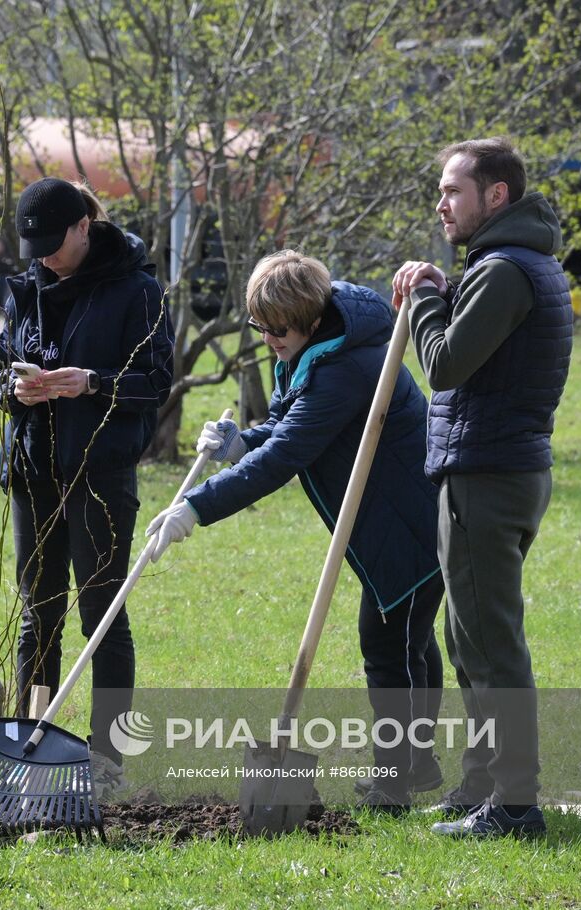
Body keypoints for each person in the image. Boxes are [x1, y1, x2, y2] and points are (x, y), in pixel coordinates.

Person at [143, 250, 445, 813]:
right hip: (395, 518)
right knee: (410, 642)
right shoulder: (319, 344)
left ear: (307, 317)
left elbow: (286, 455)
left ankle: (396, 782)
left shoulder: (346, 369)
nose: (268, 339)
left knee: (390, 646)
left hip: (413, 522)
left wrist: (195, 510)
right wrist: (239, 443)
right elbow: (285, 424)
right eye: (260, 326)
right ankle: (416, 765)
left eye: (277, 329)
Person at [392, 136, 572, 839]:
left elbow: (443, 366)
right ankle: (480, 784)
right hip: (497, 470)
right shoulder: (519, 263)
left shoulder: (503, 270)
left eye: (453, 191)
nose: (441, 203)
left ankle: (516, 805)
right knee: (465, 638)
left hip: (489, 477)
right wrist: (445, 290)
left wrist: (429, 300)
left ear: (495, 196)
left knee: (492, 644)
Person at [0, 177, 174, 800]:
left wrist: (91, 383)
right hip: (33, 471)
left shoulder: (137, 290)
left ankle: (109, 762)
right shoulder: (25, 292)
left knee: (102, 617)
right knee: (37, 618)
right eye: (31, 245)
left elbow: (156, 381)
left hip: (100, 475)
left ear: (82, 227)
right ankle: (26, 745)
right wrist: (12, 390)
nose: (42, 257)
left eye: (53, 243)